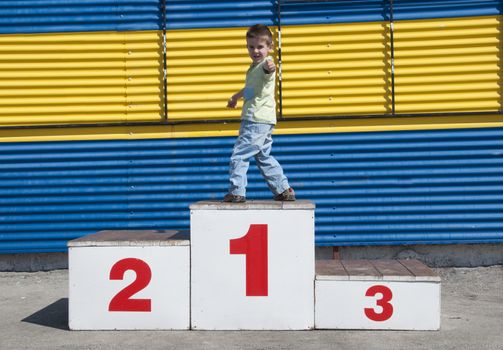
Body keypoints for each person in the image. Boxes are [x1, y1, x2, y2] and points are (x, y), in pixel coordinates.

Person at [223, 24, 295, 203]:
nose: (255, 51)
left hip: (255, 119)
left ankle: (237, 191)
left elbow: (269, 71)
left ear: (270, 47)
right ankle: (283, 189)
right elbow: (250, 89)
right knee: (263, 156)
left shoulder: (265, 64)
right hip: (265, 119)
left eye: (260, 47)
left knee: (239, 154)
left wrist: (270, 66)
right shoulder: (253, 68)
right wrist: (235, 98)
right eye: (251, 47)